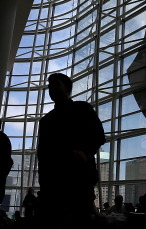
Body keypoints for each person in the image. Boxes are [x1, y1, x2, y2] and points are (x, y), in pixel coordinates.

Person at [36, 73, 106, 228]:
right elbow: (42, 154)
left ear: (67, 88)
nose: (52, 89)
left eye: (56, 84)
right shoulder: (47, 121)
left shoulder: (79, 110)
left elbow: (98, 135)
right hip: (65, 180)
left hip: (72, 179)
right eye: (50, 86)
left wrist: (83, 153)